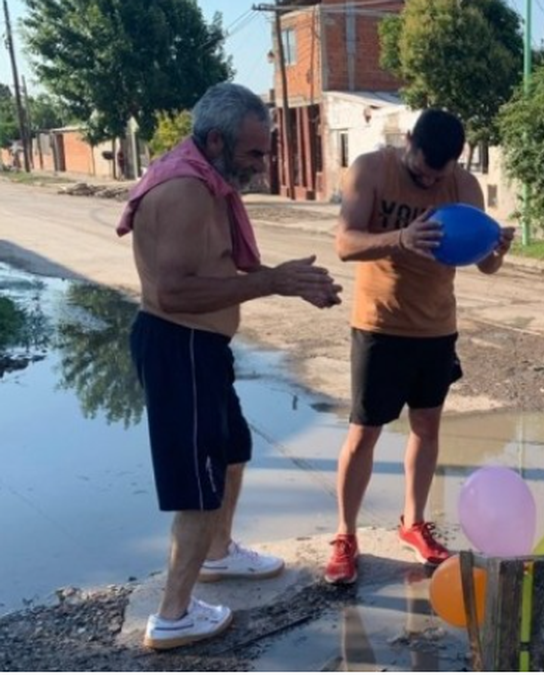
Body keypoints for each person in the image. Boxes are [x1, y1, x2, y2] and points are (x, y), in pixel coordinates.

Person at [122, 82, 342, 650]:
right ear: (216, 140)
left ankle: (218, 554)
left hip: (204, 351)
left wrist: (283, 280)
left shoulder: (205, 177)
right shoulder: (186, 192)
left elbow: (214, 265)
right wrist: (270, 282)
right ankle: (173, 616)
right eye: (253, 153)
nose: (262, 164)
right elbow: (172, 292)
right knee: (198, 486)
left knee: (234, 451)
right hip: (180, 348)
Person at [324, 109, 515, 583]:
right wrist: (400, 239)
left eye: (438, 174)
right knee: (364, 432)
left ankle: (413, 523)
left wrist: (496, 250)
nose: (429, 181)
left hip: (436, 329)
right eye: (421, 171)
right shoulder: (371, 168)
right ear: (408, 141)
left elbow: (483, 266)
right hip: (379, 324)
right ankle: (346, 535)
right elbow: (344, 244)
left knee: (427, 429)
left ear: (457, 161)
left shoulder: (463, 188)